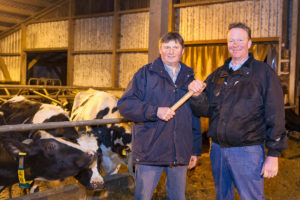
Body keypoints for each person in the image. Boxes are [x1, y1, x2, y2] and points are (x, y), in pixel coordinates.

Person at [188, 23, 287, 200]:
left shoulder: (263, 73)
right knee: (222, 196)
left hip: (247, 152)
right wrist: (196, 96)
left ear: (249, 43)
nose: (235, 44)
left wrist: (273, 154)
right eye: (231, 40)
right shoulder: (218, 75)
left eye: (240, 39)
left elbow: (276, 114)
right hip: (217, 150)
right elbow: (205, 110)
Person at [117, 32, 202, 200]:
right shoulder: (145, 74)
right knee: (144, 197)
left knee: (177, 197)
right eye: (167, 47)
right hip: (151, 151)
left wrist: (195, 150)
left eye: (175, 47)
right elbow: (125, 105)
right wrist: (155, 111)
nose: (171, 51)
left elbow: (194, 116)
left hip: (179, 152)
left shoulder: (189, 78)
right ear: (160, 50)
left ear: (182, 51)